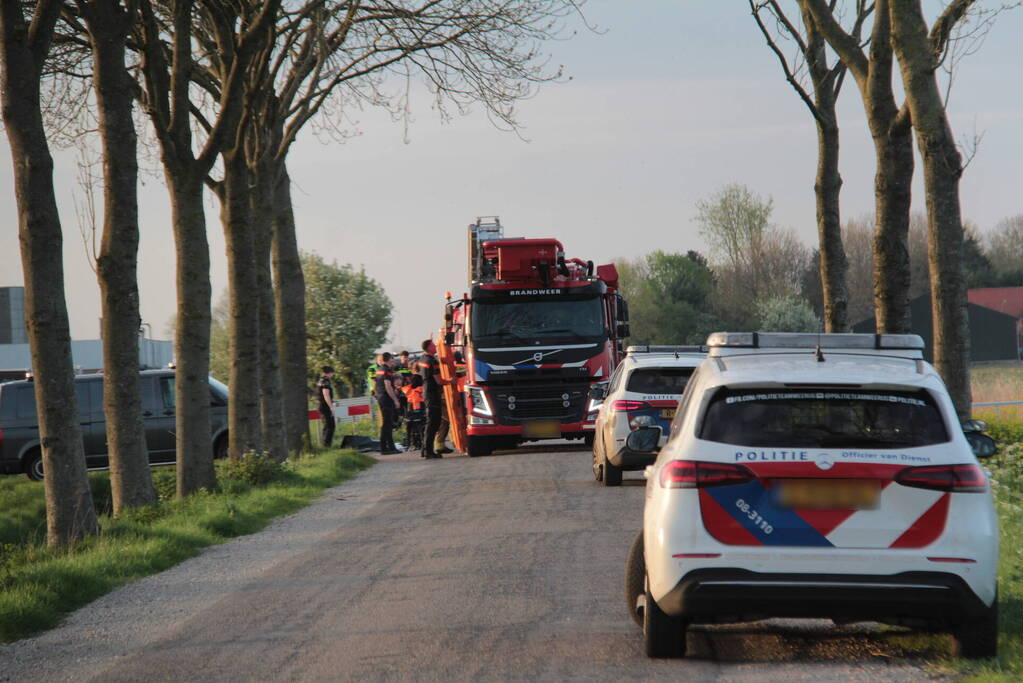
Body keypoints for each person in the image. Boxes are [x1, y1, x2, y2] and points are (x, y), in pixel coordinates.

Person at [418, 338, 452, 458]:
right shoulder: (432, 361)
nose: (436, 346)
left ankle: (425, 450)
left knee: (430, 423)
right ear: (429, 348)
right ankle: (429, 452)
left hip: (427, 393)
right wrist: (450, 381)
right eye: (433, 345)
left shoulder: (422, 358)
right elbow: (439, 380)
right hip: (433, 394)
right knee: (433, 423)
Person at [373, 352, 400, 454]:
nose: (393, 361)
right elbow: (388, 386)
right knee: (387, 424)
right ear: (389, 360)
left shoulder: (380, 369)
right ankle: (384, 448)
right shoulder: (387, 370)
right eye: (392, 359)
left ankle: (390, 447)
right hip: (387, 399)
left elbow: (376, 385)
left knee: (387, 424)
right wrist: (395, 400)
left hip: (382, 398)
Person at [317, 366, 336, 447]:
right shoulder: (326, 381)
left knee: (326, 426)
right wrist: (331, 407)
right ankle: (326, 445)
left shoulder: (321, 380)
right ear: (330, 372)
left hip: (321, 405)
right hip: (325, 406)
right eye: (332, 373)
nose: (333, 375)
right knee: (330, 426)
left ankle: (324, 444)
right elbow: (326, 395)